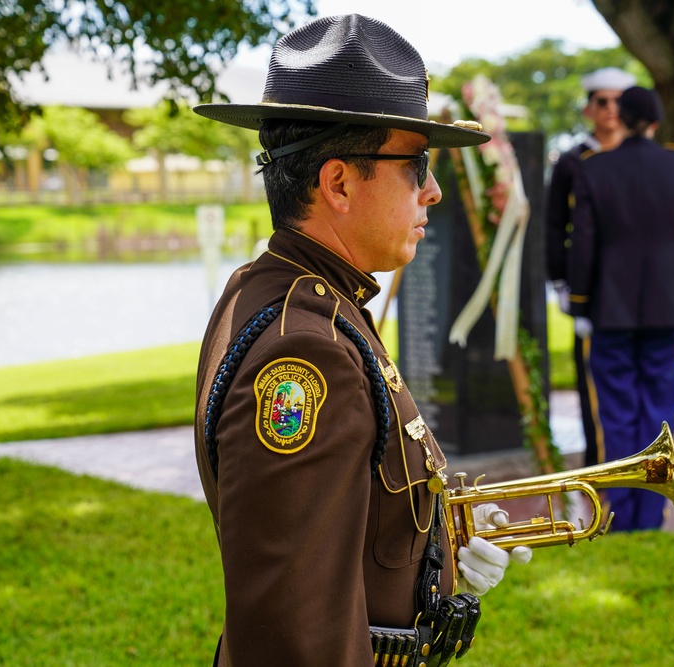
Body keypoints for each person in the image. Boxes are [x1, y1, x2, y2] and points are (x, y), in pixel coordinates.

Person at [192, 14, 530, 667]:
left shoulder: (282, 293)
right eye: (417, 165)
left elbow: (344, 524)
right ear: (340, 183)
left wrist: (435, 551)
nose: (432, 191)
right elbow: (293, 633)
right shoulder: (303, 352)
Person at [568, 86, 674, 531]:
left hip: (610, 307)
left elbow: (583, 243)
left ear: (622, 117)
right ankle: (650, 515)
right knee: (660, 410)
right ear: (654, 121)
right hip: (671, 305)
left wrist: (579, 301)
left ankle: (623, 514)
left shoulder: (596, 169)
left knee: (614, 413)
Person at [545, 67, 636, 468]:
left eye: (619, 102)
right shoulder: (572, 160)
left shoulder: (640, 155)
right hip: (593, 288)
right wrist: (562, 282)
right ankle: (600, 461)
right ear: (588, 108)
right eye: (603, 101)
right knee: (595, 379)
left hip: (639, 287)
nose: (611, 110)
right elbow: (553, 224)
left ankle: (642, 460)